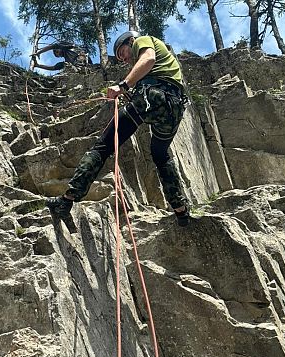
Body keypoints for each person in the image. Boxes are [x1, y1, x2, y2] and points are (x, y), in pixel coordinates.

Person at [46, 31, 190, 226]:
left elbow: (148, 58)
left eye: (123, 52)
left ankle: (67, 200)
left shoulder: (142, 40)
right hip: (174, 109)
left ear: (131, 41)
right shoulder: (166, 64)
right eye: (121, 57)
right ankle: (180, 209)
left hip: (154, 96)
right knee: (160, 154)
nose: (124, 59)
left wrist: (123, 86)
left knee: (103, 147)